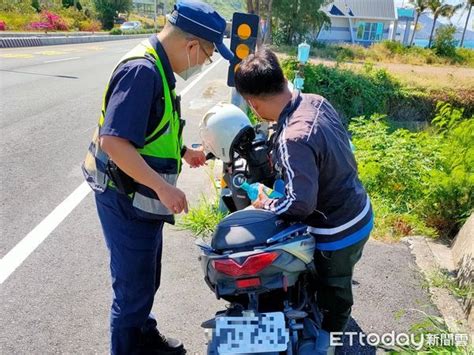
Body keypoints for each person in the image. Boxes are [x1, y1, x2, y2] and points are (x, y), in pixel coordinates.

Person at [82, 1, 234, 354]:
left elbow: (150, 126)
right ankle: (127, 345)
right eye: (208, 55)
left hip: (139, 196)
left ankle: (143, 336)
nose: (203, 63)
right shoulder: (143, 72)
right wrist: (163, 187)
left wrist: (183, 153)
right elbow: (115, 142)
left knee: (147, 277)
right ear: (192, 45)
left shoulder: (159, 67)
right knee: (132, 288)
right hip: (125, 196)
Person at [234, 48, 373, 354]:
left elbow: (300, 206)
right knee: (333, 276)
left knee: (334, 286)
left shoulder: (292, 138)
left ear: (253, 104)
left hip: (339, 230)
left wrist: (266, 204)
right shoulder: (314, 101)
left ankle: (331, 334)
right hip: (356, 204)